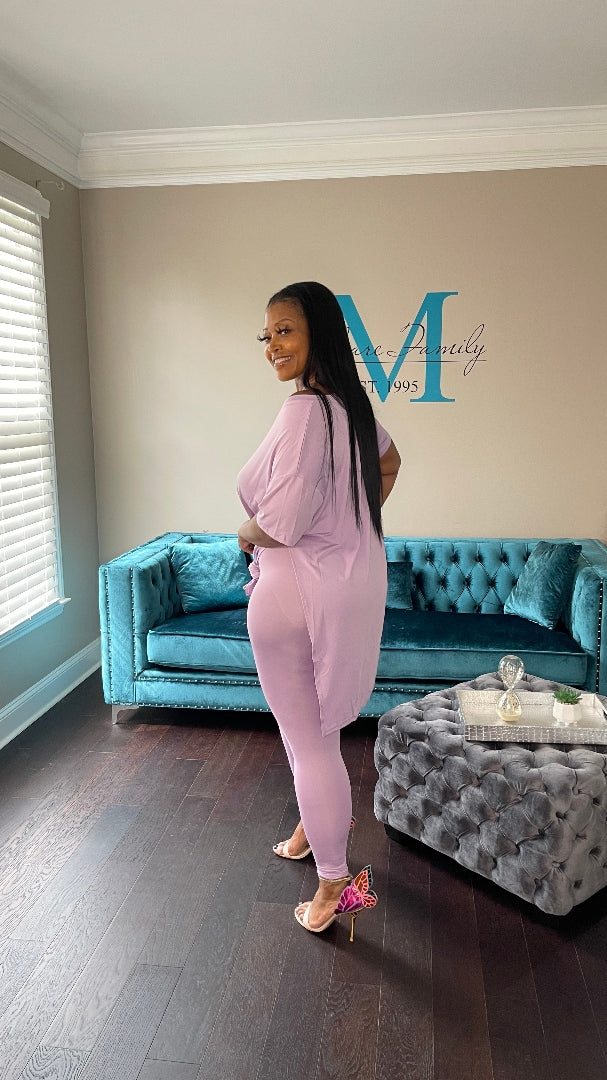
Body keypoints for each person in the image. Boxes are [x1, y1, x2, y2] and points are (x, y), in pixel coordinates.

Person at [236, 281, 400, 936]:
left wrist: (245, 530)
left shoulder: (304, 409)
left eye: (285, 330)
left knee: (310, 742)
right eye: (266, 334)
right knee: (311, 732)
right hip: (337, 590)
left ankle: (332, 880)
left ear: (319, 334)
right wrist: (349, 522)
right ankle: (313, 826)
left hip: (290, 596)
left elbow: (280, 522)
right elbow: (389, 464)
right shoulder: (350, 409)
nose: (272, 346)